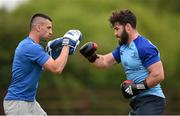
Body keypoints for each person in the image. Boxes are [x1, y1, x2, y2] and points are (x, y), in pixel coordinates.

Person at [79, 9, 165, 115]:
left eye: (117, 29)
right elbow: (104, 62)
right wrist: (91, 56)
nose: (115, 33)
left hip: (152, 100)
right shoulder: (123, 48)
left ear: (128, 27)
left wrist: (136, 88)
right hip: (137, 102)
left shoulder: (144, 47)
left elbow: (158, 75)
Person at [3, 13, 82, 115]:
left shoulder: (33, 46)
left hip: (29, 101)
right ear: (38, 27)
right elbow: (57, 68)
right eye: (48, 28)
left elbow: (50, 65)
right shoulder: (30, 47)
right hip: (18, 102)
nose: (51, 32)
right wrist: (66, 43)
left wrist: (57, 52)